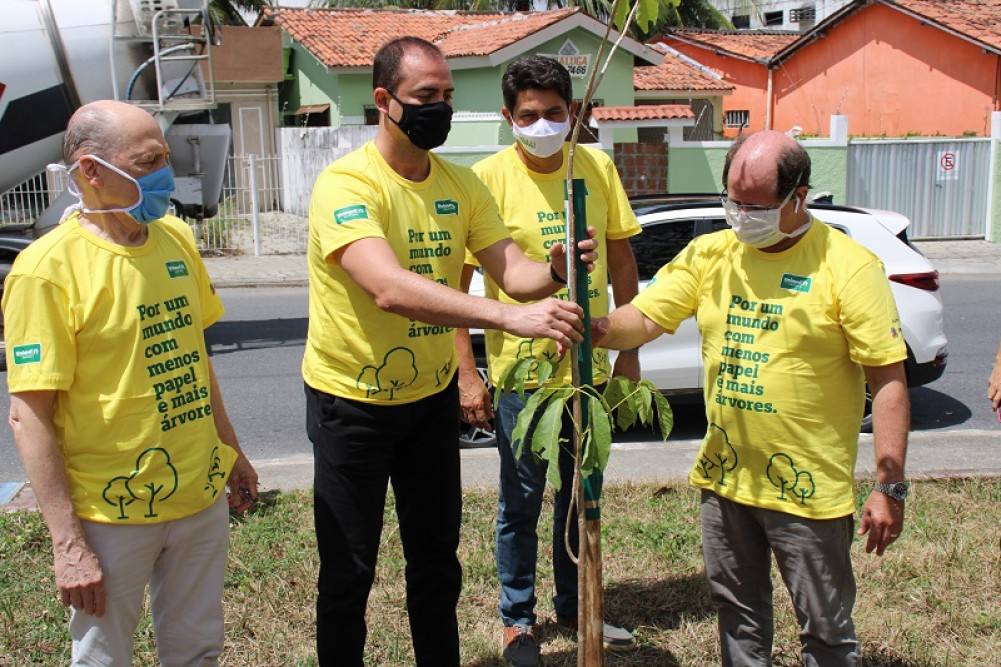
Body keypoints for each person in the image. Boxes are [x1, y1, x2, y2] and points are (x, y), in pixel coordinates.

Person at [303, 38, 597, 667]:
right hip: (351, 403)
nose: (440, 108)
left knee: (436, 562)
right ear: (384, 102)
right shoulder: (346, 183)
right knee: (350, 569)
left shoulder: (460, 184)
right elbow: (387, 287)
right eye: (425, 98)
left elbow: (512, 270)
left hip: (429, 403)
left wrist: (553, 267)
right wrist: (510, 317)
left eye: (448, 96)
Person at [591, 130, 910, 665]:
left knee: (827, 630)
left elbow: (889, 381)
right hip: (726, 481)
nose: (741, 216)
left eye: (757, 206)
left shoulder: (848, 267)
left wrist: (890, 485)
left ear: (800, 197)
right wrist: (595, 327)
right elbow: (643, 319)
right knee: (737, 616)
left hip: (807, 491)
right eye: (733, 202)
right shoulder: (711, 254)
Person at [3, 100, 258, 665]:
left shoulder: (176, 241)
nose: (165, 173)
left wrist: (230, 451)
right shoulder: (47, 271)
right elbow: (29, 414)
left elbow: (195, 357)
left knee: (197, 650)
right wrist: (68, 543)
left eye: (164, 157)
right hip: (107, 516)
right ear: (91, 172)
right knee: (103, 657)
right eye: (148, 162)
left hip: (196, 496)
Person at [454, 55, 640, 665]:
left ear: (573, 114)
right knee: (521, 502)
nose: (542, 125)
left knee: (584, 495)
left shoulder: (597, 167)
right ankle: (517, 619)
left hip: (587, 377)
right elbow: (460, 289)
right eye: (528, 115)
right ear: (508, 117)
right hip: (522, 381)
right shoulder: (484, 179)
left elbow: (622, 267)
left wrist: (629, 355)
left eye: (554, 113)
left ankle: (577, 601)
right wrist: (467, 372)